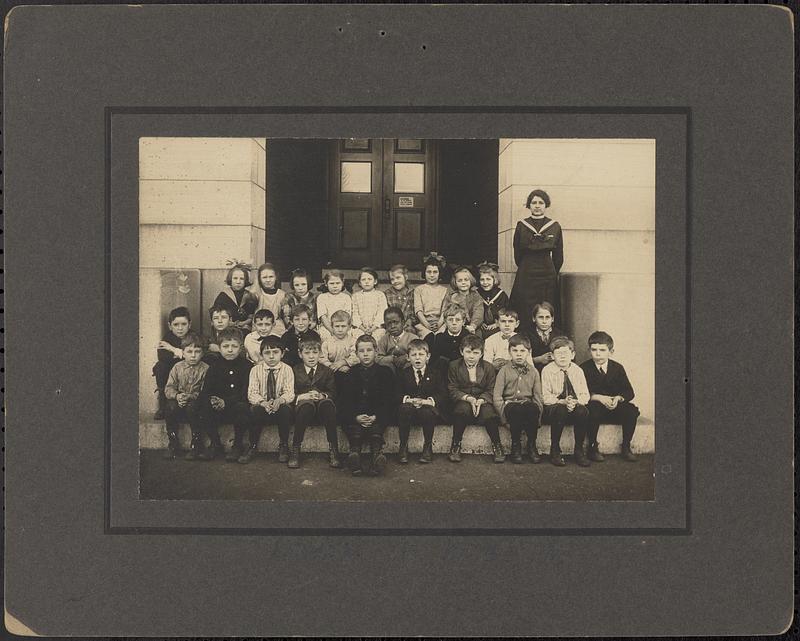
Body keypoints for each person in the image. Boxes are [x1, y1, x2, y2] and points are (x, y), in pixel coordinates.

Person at [338, 335, 395, 477]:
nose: (365, 354)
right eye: (361, 351)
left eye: (369, 350)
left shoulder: (385, 372)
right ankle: (354, 455)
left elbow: (388, 399)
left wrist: (376, 416)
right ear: (356, 353)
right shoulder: (350, 373)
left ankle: (377, 455)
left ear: (376, 351)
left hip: (376, 414)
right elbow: (345, 400)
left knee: (377, 429)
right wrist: (356, 417)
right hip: (357, 415)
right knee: (353, 429)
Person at [580, 331, 640, 462]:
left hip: (614, 406)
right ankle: (592, 447)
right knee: (592, 410)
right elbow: (579, 392)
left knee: (631, 411)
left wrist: (618, 398)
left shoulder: (617, 368)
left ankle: (626, 446)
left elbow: (629, 391)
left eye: (602, 350)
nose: (598, 353)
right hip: (595, 406)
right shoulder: (584, 368)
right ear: (589, 350)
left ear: (611, 351)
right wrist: (597, 397)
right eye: (594, 350)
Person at [509, 189, 564, 333]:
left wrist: (551, 271)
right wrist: (526, 267)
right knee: (524, 305)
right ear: (529, 205)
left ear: (546, 205)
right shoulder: (522, 225)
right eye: (534, 202)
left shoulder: (554, 226)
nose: (537, 205)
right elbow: (517, 254)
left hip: (547, 273)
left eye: (541, 202)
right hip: (526, 272)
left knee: (547, 305)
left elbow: (558, 257)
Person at [196, 327, 252, 462]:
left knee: (242, 407)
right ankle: (215, 444)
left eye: (234, 346)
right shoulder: (214, 366)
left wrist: (226, 402)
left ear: (241, 348)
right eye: (226, 346)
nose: (230, 350)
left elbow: (245, 392)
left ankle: (237, 445)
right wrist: (213, 401)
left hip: (235, 407)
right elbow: (206, 391)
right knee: (202, 405)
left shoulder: (247, 366)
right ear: (219, 348)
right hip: (218, 409)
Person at [447, 334, 504, 463]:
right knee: (461, 411)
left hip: (482, 400)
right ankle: (456, 444)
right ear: (462, 351)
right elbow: (452, 388)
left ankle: (497, 445)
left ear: (481, 354)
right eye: (468, 352)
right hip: (464, 399)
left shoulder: (488, 367)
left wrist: (480, 400)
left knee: (489, 414)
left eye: (475, 353)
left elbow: (491, 389)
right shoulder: (454, 366)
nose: (471, 356)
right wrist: (468, 398)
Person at [492, 334, 544, 464]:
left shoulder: (533, 372)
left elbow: (538, 397)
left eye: (522, 351)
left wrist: (538, 417)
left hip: (527, 406)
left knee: (532, 408)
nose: (519, 354)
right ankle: (516, 446)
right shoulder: (504, 371)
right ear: (509, 352)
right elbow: (497, 397)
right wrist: (503, 418)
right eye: (515, 351)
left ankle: (532, 445)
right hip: (510, 406)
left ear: (529, 352)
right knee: (516, 409)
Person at [541, 336, 591, 467]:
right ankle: (555, 449)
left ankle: (579, 450)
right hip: (554, 407)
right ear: (552, 356)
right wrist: (562, 401)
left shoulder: (577, 371)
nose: (562, 357)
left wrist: (575, 402)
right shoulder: (547, 371)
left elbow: (585, 395)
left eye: (566, 353)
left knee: (583, 411)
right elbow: (545, 397)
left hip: (573, 404)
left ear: (573, 355)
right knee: (560, 410)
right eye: (558, 353)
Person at [244, 335, 295, 464]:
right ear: (261, 355)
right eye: (267, 353)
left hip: (279, 405)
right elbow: (252, 393)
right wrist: (263, 403)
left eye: (275, 352)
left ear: (282, 354)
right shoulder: (255, 370)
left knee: (285, 410)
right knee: (254, 410)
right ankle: (253, 445)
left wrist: (279, 401)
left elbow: (289, 393)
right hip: (263, 405)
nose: (271, 356)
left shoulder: (287, 369)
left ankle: (283, 445)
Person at [290, 337, 340, 469]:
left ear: (320, 354)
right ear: (300, 354)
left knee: (328, 404)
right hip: (304, 407)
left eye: (315, 353)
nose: (311, 357)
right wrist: (303, 396)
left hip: (322, 406)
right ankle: (296, 449)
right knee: (306, 405)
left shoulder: (327, 371)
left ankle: (334, 449)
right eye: (307, 353)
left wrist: (322, 395)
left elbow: (333, 392)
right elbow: (290, 393)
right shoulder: (294, 370)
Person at [396, 339, 447, 464]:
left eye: (421, 354)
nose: (417, 358)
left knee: (427, 412)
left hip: (427, 409)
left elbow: (442, 393)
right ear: (408, 357)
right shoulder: (403, 374)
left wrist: (427, 401)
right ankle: (403, 446)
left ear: (428, 356)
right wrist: (409, 400)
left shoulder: (435, 373)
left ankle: (428, 447)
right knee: (404, 408)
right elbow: (396, 393)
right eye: (413, 355)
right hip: (409, 410)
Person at [162, 332, 209, 460]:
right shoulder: (177, 367)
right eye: (189, 351)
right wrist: (177, 396)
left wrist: (190, 397)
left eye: (197, 351)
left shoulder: (205, 369)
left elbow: (205, 391)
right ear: (182, 352)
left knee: (193, 408)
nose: (193, 355)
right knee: (170, 407)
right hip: (178, 400)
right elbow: (169, 388)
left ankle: (196, 444)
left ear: (203, 353)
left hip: (194, 403)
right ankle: (173, 443)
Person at [152, 306, 191, 420]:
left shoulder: (193, 336)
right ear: (170, 326)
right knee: (160, 367)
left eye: (183, 324)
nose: (180, 328)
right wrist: (182, 354)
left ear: (189, 324)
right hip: (172, 372)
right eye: (176, 325)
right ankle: (163, 405)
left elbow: (195, 356)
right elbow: (163, 357)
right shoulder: (167, 338)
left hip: (189, 371)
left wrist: (174, 350)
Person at [211, 262, 258, 332]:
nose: (238, 282)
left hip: (245, 328)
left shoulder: (250, 296)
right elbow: (217, 314)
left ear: (245, 281)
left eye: (241, 279)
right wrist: (229, 323)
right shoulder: (223, 296)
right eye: (235, 278)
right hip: (226, 328)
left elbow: (251, 315)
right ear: (230, 279)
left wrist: (244, 323)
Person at [413, 252, 449, 340]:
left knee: (441, 336)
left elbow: (445, 310)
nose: (432, 275)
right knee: (428, 336)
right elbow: (418, 310)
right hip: (423, 322)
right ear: (424, 273)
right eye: (429, 272)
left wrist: (439, 324)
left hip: (440, 322)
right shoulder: (419, 290)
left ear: (439, 273)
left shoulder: (445, 290)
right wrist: (427, 325)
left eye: (435, 272)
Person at [440, 266, 483, 334]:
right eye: (460, 280)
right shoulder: (452, 296)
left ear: (470, 281)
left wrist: (473, 326)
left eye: (466, 280)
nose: (463, 282)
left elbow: (478, 312)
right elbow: (446, 311)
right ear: (455, 283)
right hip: (455, 325)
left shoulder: (476, 296)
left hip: (473, 326)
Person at [319, 310, 359, 379]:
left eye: (343, 326)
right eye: (337, 326)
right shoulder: (327, 343)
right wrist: (333, 366)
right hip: (332, 372)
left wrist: (343, 362)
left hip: (348, 371)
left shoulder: (353, 341)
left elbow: (356, 357)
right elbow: (322, 359)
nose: (340, 329)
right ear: (332, 327)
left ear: (349, 327)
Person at [351, 266, 388, 341]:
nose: (366, 282)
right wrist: (363, 328)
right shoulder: (355, 296)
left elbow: (382, 312)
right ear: (360, 283)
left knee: (379, 336)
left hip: (377, 328)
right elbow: (354, 313)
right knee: (357, 337)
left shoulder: (380, 295)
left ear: (375, 281)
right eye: (363, 279)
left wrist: (373, 328)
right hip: (360, 328)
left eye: (370, 279)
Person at [376, 306, 417, 373]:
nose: (393, 326)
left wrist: (405, 357)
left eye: (396, 322)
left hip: (407, 372)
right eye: (389, 323)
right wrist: (392, 359)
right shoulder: (384, 340)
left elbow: (417, 354)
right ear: (385, 325)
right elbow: (378, 358)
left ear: (403, 323)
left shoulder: (412, 338)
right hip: (391, 373)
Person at [316, 268, 352, 342]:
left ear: (342, 283)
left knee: (350, 335)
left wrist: (341, 329)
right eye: (332, 283)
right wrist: (332, 331)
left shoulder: (346, 297)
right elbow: (323, 316)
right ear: (326, 283)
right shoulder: (322, 297)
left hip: (343, 326)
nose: (335, 286)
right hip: (327, 327)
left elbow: (348, 316)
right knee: (324, 334)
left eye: (338, 283)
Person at [279, 304, 321, 368]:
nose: (300, 323)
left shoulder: (314, 336)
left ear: (309, 321)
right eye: (297, 319)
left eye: (304, 319)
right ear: (291, 321)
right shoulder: (286, 336)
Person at [431, 303, 470, 372]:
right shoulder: (439, 338)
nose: (454, 323)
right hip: (444, 373)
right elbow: (434, 362)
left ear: (463, 322)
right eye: (450, 320)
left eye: (458, 320)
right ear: (445, 321)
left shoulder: (469, 337)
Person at [526, 302, 563, 373]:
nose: (544, 321)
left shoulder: (560, 335)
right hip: (532, 373)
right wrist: (539, 359)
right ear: (534, 319)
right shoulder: (526, 335)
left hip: (554, 373)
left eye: (547, 317)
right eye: (540, 317)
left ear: (552, 319)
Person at [476, 260, 509, 339]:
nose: (485, 282)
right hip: (481, 327)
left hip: (497, 326)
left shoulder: (501, 295)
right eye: (482, 279)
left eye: (488, 279)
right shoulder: (476, 294)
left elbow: (506, 312)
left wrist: (497, 323)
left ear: (494, 280)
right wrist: (479, 323)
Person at [252, 262, 287, 336]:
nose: (268, 280)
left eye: (271, 277)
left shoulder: (282, 294)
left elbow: (285, 316)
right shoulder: (257, 293)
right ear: (259, 279)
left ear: (276, 277)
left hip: (276, 327)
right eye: (264, 277)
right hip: (259, 326)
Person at [282, 268, 317, 332]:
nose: (300, 288)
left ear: (308, 283)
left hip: (310, 330)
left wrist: (308, 330)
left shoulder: (314, 298)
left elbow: (314, 319)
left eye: (303, 284)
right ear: (293, 285)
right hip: (293, 329)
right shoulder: (289, 298)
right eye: (297, 285)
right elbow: (286, 317)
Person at [384, 264, 415, 333]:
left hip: (408, 325)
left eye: (398, 278)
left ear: (406, 277)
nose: (395, 281)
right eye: (392, 279)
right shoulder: (387, 294)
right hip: (392, 325)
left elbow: (413, 312)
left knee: (410, 333)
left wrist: (409, 321)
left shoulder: (412, 293)